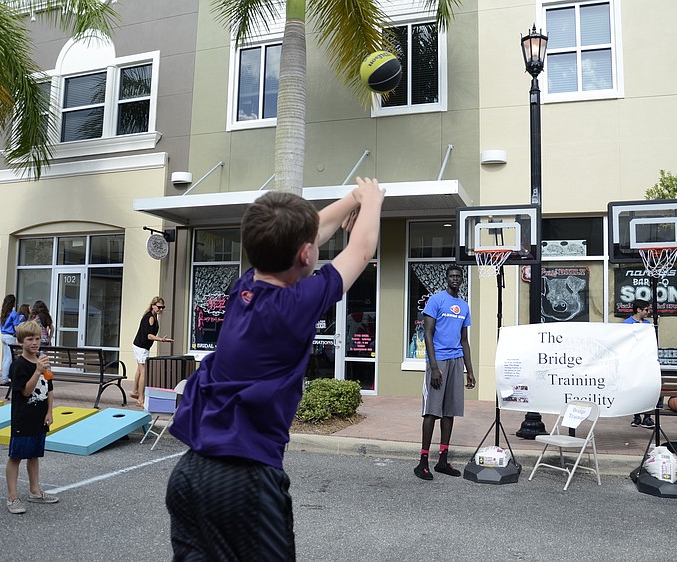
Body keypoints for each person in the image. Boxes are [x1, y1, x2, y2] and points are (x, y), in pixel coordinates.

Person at [166, 177, 384, 560]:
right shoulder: (295, 304)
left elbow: (307, 230)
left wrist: (352, 197)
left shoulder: (244, 289)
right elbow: (362, 250)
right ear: (306, 255)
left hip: (190, 474)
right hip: (244, 481)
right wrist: (371, 199)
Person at [414, 264, 476, 481]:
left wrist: (469, 369)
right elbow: (427, 334)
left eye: (458, 276)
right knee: (432, 411)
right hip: (438, 360)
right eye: (452, 276)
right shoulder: (436, 300)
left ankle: (442, 459)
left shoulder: (464, 306)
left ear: (462, 279)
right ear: (446, 278)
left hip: (456, 361)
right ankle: (422, 462)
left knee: (449, 412)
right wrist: (433, 367)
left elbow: (464, 340)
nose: (455, 279)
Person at [5, 321, 58, 514]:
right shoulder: (19, 366)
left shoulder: (43, 362)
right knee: (16, 456)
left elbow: (50, 388)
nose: (35, 342)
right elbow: (26, 392)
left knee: (34, 455)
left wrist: (50, 412)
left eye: (37, 338)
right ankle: (12, 497)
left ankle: (35, 491)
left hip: (39, 416)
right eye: (30, 339)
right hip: (23, 418)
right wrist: (36, 371)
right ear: (21, 342)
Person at [130, 296, 172, 407]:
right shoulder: (150, 317)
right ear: (153, 306)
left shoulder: (154, 316)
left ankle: (135, 391)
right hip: (141, 346)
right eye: (159, 307)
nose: (161, 309)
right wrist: (162, 340)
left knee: (139, 370)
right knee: (144, 371)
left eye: (163, 307)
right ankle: (140, 399)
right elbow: (148, 335)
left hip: (140, 346)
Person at [623, 299, 655, 429]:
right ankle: (636, 416)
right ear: (638, 310)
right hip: (633, 362)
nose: (648, 312)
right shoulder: (627, 324)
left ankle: (647, 417)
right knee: (635, 389)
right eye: (646, 310)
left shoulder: (647, 324)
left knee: (646, 388)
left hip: (645, 361)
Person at [0, 294, 22, 387]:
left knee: (5, 359)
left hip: (4, 336)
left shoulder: (3, 314)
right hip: (10, 337)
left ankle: (4, 378)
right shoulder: (14, 314)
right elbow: (16, 328)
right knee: (9, 359)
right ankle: (5, 380)